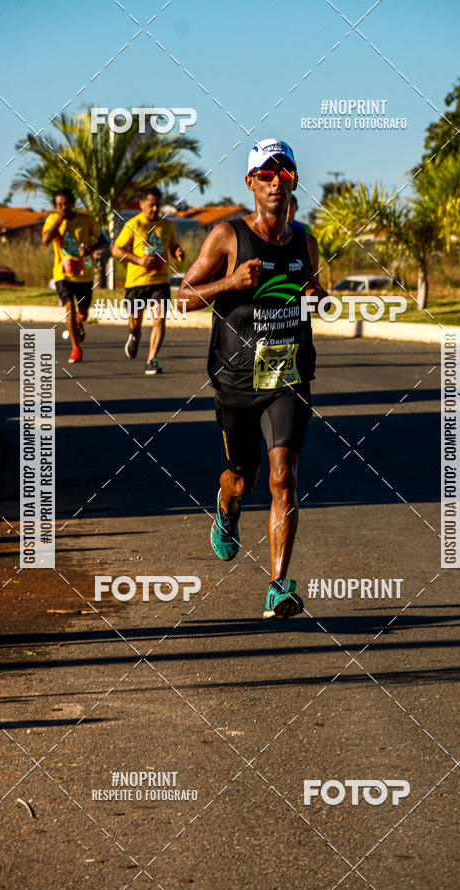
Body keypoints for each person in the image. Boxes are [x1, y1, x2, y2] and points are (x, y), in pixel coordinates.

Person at [177, 139, 327, 619]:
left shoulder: (306, 241)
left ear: (294, 182)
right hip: (237, 381)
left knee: (284, 476)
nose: (275, 182)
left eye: (284, 174)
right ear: (250, 183)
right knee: (243, 479)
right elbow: (182, 297)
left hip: (289, 374)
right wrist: (229, 283)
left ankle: (278, 586)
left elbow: (318, 298)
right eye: (266, 174)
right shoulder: (227, 236)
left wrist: (318, 299)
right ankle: (226, 505)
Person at [112, 186, 184, 375]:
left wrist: (177, 251)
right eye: (151, 205)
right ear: (142, 204)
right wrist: (139, 260)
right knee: (134, 323)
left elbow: (173, 244)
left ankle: (151, 360)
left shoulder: (167, 225)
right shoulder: (134, 224)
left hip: (160, 281)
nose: (154, 209)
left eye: (158, 206)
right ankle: (134, 335)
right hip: (136, 282)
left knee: (159, 319)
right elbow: (116, 250)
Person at [42, 188, 105, 363]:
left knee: (83, 314)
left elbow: (104, 241)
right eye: (59, 205)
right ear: (55, 206)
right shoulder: (53, 220)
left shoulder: (87, 220)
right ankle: (75, 348)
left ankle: (79, 323)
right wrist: (59, 220)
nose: (63, 207)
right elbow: (45, 240)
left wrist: (90, 249)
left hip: (84, 274)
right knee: (69, 307)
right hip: (62, 275)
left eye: (66, 204)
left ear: (73, 203)